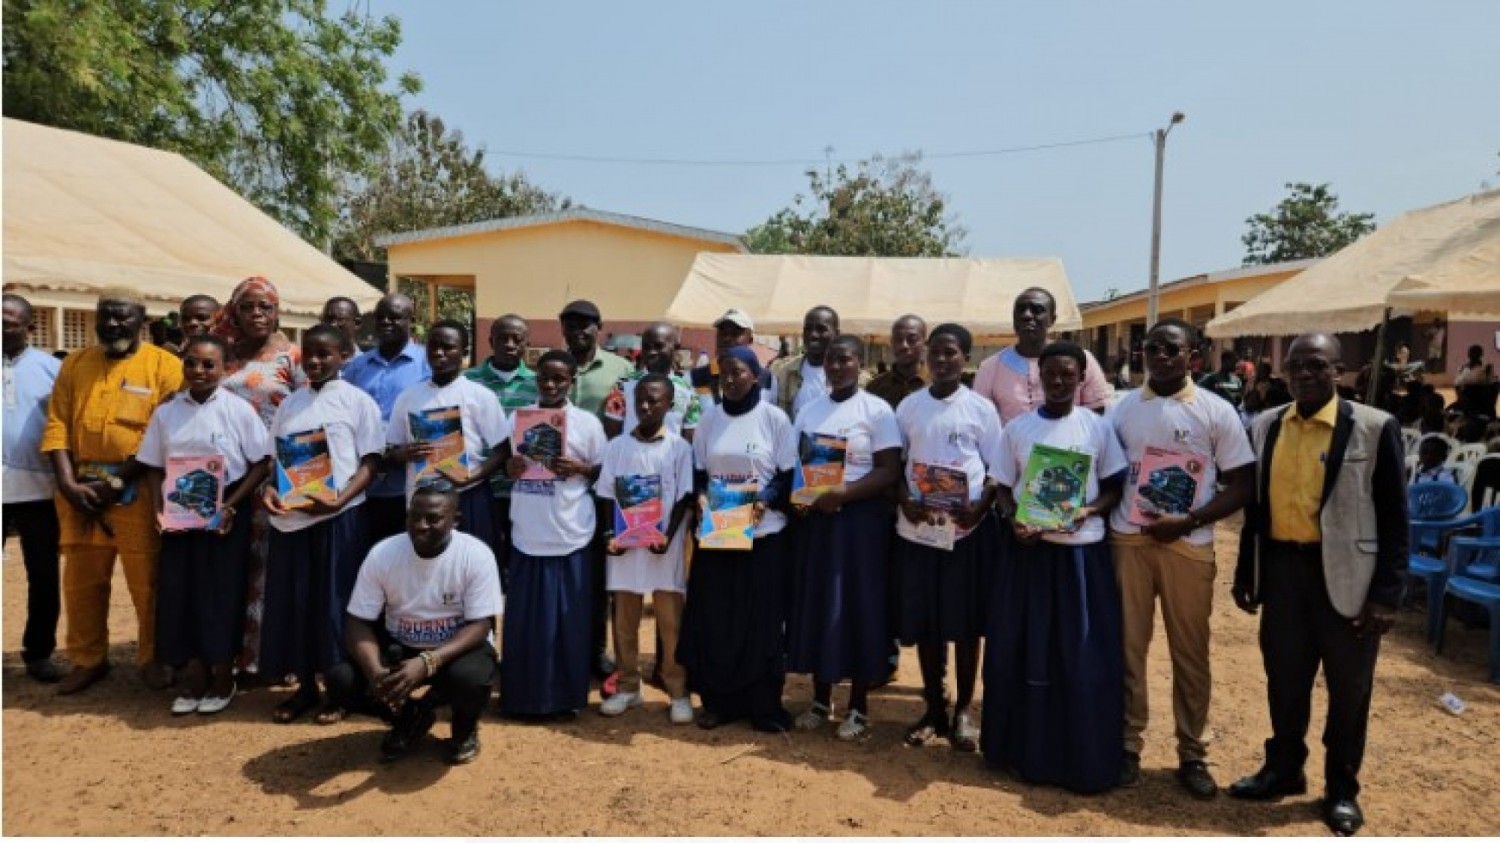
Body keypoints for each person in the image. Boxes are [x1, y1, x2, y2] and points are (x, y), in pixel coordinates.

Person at [1227, 332, 1407, 837]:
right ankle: (1284, 768)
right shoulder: (1266, 426)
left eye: (1316, 365)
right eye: (1296, 367)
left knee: (1349, 691)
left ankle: (1342, 789)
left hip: (1349, 579)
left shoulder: (1375, 428)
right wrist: (1248, 571)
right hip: (1283, 574)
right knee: (1284, 680)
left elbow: (1396, 520)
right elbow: (1255, 510)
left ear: (1340, 369)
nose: (1304, 374)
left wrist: (1386, 595)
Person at [1106, 319, 1256, 797]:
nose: (1162, 355)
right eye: (1153, 347)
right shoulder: (1121, 408)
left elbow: (1243, 483)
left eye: (1173, 348)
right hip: (1129, 540)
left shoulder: (1216, 411)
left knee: (1190, 653)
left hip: (1188, 546)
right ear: (1142, 352)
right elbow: (1107, 476)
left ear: (1194, 354)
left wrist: (1189, 522)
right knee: (1128, 649)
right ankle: (1128, 745)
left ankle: (1193, 753)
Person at [985, 340, 1128, 795]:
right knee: (1027, 651)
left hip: (1080, 559)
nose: (1060, 381)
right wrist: (1013, 521)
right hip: (1029, 556)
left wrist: (1087, 511)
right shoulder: (1018, 430)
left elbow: (1112, 487)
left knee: (1079, 655)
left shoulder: (1096, 428)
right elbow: (1003, 486)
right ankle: (1022, 751)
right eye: (1052, 374)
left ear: (1082, 378)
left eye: (1069, 374)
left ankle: (1081, 756)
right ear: (1040, 377)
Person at [41, 289, 184, 694]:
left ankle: (153, 658)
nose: (112, 325)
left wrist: (117, 481)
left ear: (142, 320)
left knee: (148, 583)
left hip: (137, 491)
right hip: (80, 494)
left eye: (122, 317)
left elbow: (166, 433)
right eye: (105, 317)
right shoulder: (74, 365)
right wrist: (68, 484)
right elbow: (56, 427)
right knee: (82, 583)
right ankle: (87, 659)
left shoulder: (165, 367)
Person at [134, 335, 272, 715]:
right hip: (179, 510)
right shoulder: (167, 412)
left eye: (208, 364)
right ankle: (194, 674)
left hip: (225, 508)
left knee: (221, 591)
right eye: (192, 363)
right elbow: (152, 466)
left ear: (225, 368)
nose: (199, 371)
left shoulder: (238, 409)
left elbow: (261, 462)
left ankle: (223, 674)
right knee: (182, 591)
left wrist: (229, 505)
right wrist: (158, 510)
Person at [259, 325, 385, 724]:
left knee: (334, 603)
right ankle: (305, 689)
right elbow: (273, 462)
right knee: (297, 602)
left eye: (324, 354)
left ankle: (339, 690)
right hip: (293, 521)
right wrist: (268, 490)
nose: (314, 361)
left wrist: (339, 499)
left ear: (343, 356)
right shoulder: (289, 405)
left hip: (340, 519)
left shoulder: (357, 402)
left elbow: (372, 462)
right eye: (308, 354)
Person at [327, 482, 503, 764]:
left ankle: (464, 729)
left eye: (433, 519)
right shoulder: (383, 554)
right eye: (414, 517)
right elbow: (358, 621)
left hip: (454, 651)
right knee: (341, 681)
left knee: (471, 679)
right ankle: (409, 716)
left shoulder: (476, 555)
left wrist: (427, 662)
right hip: (401, 647)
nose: (421, 526)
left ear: (454, 520)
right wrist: (376, 675)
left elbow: (481, 626)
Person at [890, 323, 1004, 752]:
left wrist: (980, 506)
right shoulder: (909, 408)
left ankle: (963, 712)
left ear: (966, 358)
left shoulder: (980, 409)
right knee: (927, 623)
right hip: (919, 532)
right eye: (935, 352)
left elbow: (996, 471)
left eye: (950, 353)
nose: (941, 360)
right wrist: (905, 500)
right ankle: (934, 707)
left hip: (966, 533)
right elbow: (895, 464)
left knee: (967, 624)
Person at [785, 335, 901, 740]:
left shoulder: (877, 411)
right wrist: (800, 498)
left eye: (846, 360)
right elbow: (798, 465)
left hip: (860, 522)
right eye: (832, 361)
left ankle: (859, 705)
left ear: (859, 363)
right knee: (820, 603)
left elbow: (889, 470)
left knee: (858, 606)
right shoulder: (810, 410)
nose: (837, 367)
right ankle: (820, 699)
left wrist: (845, 494)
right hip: (817, 522)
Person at [678, 345, 798, 733]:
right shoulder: (710, 421)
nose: (730, 380)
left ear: (754, 375)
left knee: (760, 623)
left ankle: (764, 706)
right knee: (716, 619)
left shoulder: (774, 419)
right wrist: (698, 494)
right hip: (718, 534)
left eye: (738, 372)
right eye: (723, 374)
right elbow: (698, 470)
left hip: (763, 536)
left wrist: (764, 500)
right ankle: (719, 703)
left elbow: (786, 475)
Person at [500, 350, 607, 719]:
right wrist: (511, 466)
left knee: (567, 624)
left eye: (559, 379)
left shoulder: (587, 424)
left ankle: (564, 699)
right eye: (544, 377)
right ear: (535, 378)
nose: (550, 385)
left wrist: (580, 468)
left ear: (571, 382)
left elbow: (603, 474)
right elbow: (507, 462)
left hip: (570, 532)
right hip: (528, 531)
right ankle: (523, 699)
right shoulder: (518, 417)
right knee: (527, 625)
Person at [210, 276, 308, 675]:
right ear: (234, 312)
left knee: (273, 568)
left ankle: (271, 656)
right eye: (247, 307)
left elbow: (307, 416)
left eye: (264, 307)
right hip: (227, 478)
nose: (256, 314)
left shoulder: (294, 357)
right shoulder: (221, 355)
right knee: (231, 569)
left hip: (274, 478)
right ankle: (230, 656)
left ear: (276, 311)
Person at [594, 373, 696, 723]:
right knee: (624, 622)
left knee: (670, 623)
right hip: (625, 547)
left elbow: (683, 496)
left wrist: (667, 534)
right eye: (641, 400)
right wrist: (611, 533)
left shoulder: (680, 448)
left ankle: (677, 690)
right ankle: (627, 687)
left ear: (670, 404)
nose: (647, 406)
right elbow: (607, 493)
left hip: (662, 547)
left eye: (655, 400)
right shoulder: (618, 447)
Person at [386, 319, 512, 558]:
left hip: (469, 496)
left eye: (448, 347)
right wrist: (404, 453)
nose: (439, 352)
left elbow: (502, 450)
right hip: (422, 497)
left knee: (471, 565)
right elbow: (391, 450)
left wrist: (468, 477)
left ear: (464, 352)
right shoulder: (409, 397)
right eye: (433, 346)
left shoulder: (479, 396)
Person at [558, 299, 633, 682]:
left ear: (599, 327)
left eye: (585, 324)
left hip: (602, 482)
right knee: (568, 572)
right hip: (555, 488)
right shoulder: (553, 367)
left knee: (602, 573)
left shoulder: (621, 370)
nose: (578, 331)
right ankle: (565, 647)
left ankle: (597, 651)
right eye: (571, 324)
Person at [3, 294, 65, 682]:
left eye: (10, 320)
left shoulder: (50, 369)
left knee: (42, 575)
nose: (2, 325)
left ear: (29, 326)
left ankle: (39, 652)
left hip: (38, 491)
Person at [343, 293, 431, 547]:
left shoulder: (427, 364)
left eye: (395, 317)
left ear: (410, 321)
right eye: (380, 317)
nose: (386, 323)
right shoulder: (357, 367)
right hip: (362, 483)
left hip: (409, 482)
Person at [464, 313, 538, 589]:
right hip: (478, 486)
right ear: (490, 340)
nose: (509, 344)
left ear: (526, 343)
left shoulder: (538, 384)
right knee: (483, 564)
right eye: (502, 338)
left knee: (518, 566)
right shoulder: (467, 381)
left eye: (516, 339)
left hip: (524, 489)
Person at [973, 287, 1113, 424]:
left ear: (1052, 319)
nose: (1027, 315)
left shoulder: (1081, 360)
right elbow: (981, 419)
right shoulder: (990, 367)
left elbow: (1097, 412)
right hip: (1013, 445)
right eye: (1021, 310)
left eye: (1037, 310)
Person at [602, 322, 702, 441]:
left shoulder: (688, 392)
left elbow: (689, 439)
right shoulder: (622, 386)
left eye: (658, 346)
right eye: (647, 347)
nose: (651, 352)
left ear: (675, 347)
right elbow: (611, 436)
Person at [769, 306, 871, 421]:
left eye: (821, 329)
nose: (813, 335)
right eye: (808, 329)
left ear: (836, 333)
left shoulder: (860, 379)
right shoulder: (783, 372)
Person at [688, 308, 776, 415]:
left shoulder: (767, 379)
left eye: (735, 333)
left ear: (750, 339)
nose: (727, 338)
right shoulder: (695, 378)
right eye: (722, 333)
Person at [866, 314, 927, 410]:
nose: (904, 345)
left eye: (912, 340)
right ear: (891, 342)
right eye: (898, 339)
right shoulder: (875, 387)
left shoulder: (937, 385)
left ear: (924, 343)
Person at [1454, 344, 1497, 416]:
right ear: (1468, 354)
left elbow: (1494, 386)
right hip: (1463, 402)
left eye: (1476, 353)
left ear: (1481, 354)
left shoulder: (1486, 368)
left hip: (1480, 403)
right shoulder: (1462, 368)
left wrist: (1490, 403)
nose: (1473, 355)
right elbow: (1457, 384)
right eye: (1471, 353)